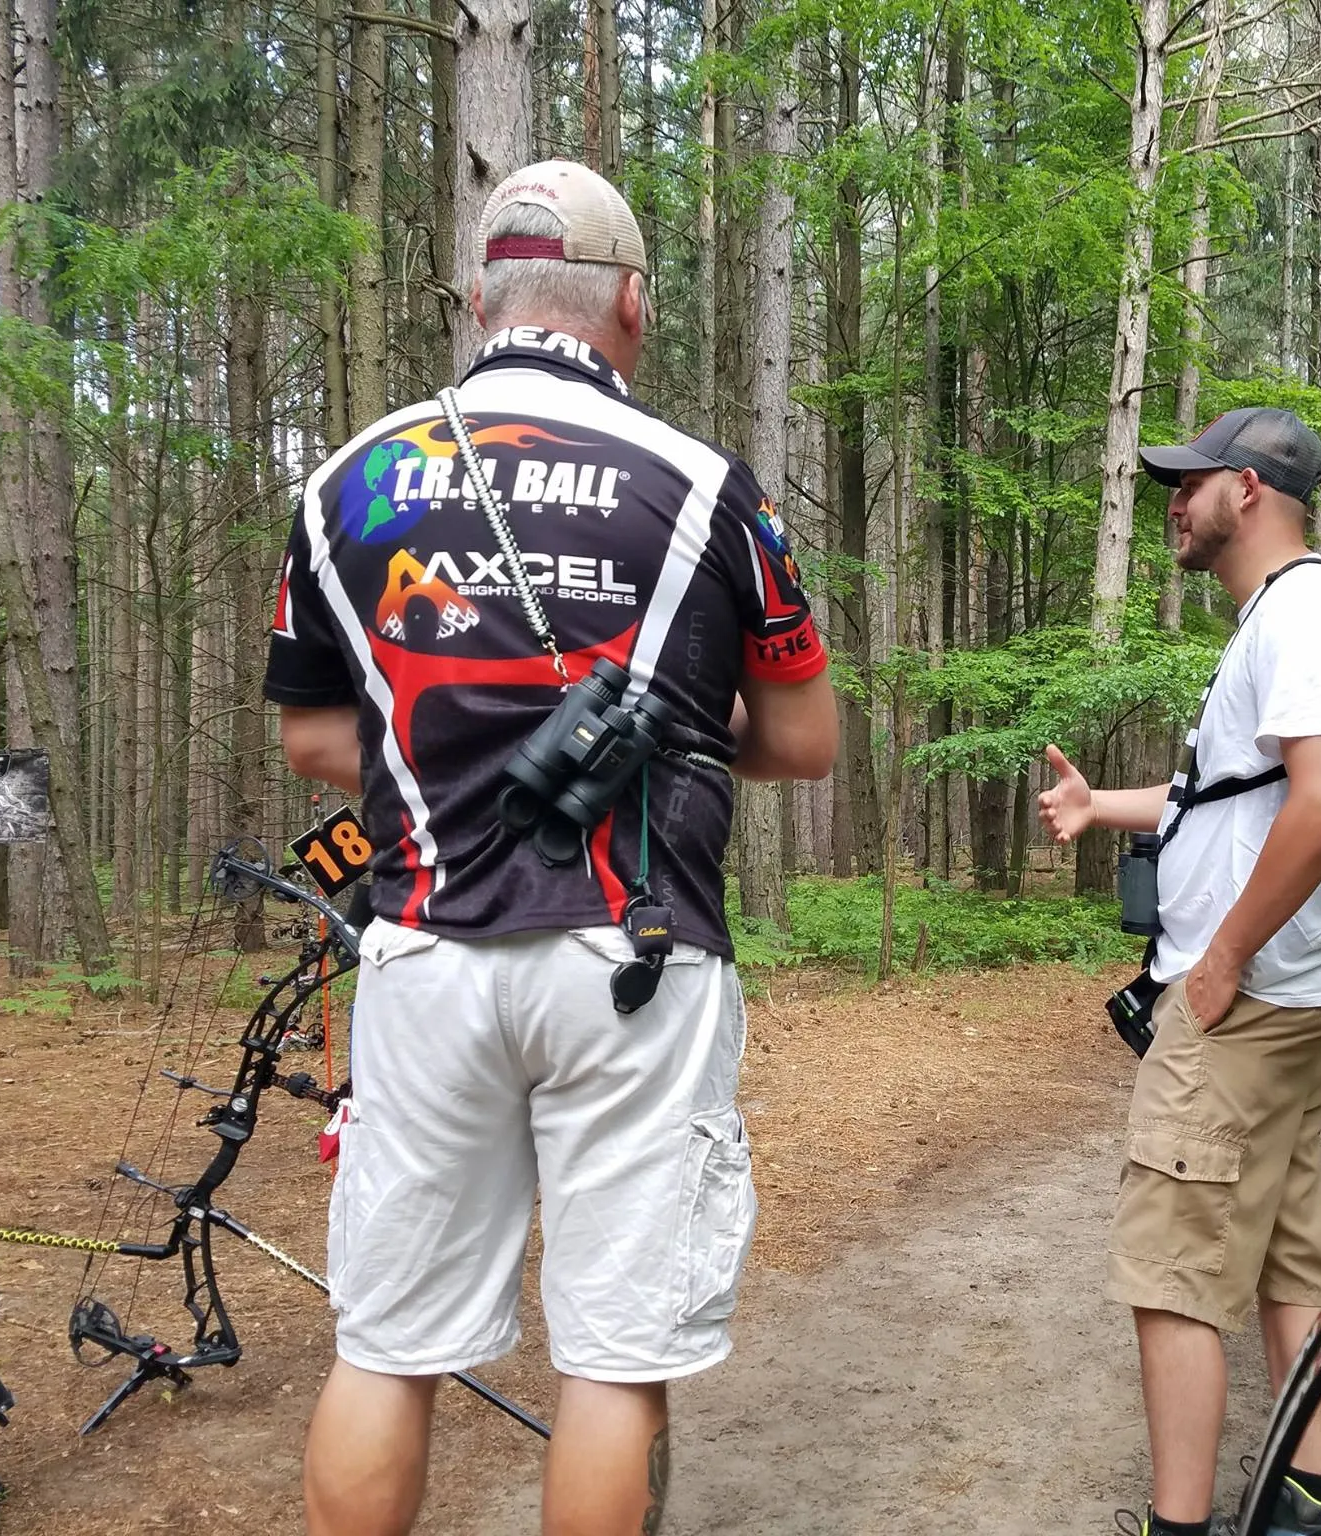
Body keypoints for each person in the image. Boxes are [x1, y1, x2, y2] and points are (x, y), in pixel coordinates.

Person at [265, 160, 838, 1536]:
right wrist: (669, 746)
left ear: (477, 301)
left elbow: (312, 738)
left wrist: (450, 766)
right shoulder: (709, 488)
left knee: (386, 1345)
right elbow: (807, 740)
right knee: (612, 1358)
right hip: (634, 952)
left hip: (422, 949)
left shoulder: (350, 479)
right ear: (630, 305)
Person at [1038, 408, 1321, 1536]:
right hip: (1290, 998)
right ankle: (1308, 1495)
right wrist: (1100, 809)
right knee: (1286, 1247)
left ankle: (1176, 1527)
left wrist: (1221, 957)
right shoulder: (1288, 619)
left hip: (1246, 1002)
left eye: (1186, 485)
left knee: (1171, 1270)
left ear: (1246, 489)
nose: (1170, 506)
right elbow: (1230, 799)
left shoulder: (1304, 615)